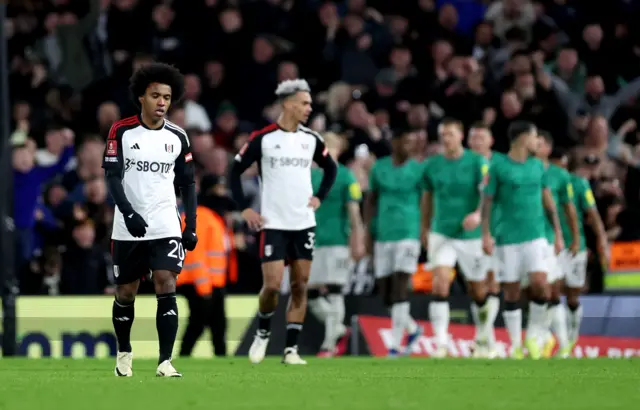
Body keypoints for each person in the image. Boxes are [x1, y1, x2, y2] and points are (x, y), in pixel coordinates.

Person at [230, 79, 337, 365]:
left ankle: (290, 350)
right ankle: (263, 332)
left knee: (301, 284)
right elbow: (234, 170)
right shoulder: (264, 138)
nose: (309, 108)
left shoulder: (311, 139)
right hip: (274, 224)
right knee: (273, 286)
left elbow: (331, 168)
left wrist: (320, 198)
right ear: (288, 104)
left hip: (303, 223)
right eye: (304, 103)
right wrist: (244, 209)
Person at [102, 62, 197, 377]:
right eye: (155, 95)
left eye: (167, 97)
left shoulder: (178, 137)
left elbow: (187, 183)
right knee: (126, 292)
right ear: (141, 97)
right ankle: (124, 353)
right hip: (127, 224)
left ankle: (165, 361)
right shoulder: (122, 131)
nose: (162, 102)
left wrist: (191, 225)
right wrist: (128, 212)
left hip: (164, 222)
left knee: (165, 281)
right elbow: (113, 177)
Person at [481, 121, 563, 359]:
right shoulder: (497, 166)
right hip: (507, 238)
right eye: (534, 137)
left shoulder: (538, 167)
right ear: (521, 139)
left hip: (536, 236)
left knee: (540, 283)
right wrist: (486, 234)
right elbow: (487, 201)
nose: (537, 142)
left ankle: (534, 334)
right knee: (512, 291)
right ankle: (516, 345)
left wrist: (557, 233)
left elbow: (548, 201)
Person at [422, 118, 489, 359]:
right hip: (442, 232)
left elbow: (487, 193)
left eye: (450, 134)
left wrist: (479, 214)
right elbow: (427, 198)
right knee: (439, 283)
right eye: (442, 134)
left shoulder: (477, 162)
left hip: (470, 236)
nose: (445, 138)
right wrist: (425, 228)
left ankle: (483, 336)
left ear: (461, 136)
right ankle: (440, 343)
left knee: (478, 291)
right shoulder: (432, 166)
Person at [364, 130, 424, 357]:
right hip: (383, 234)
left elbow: (426, 199)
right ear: (395, 142)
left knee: (400, 287)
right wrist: (367, 232)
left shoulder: (419, 170)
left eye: (412, 141)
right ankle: (412, 328)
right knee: (386, 294)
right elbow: (371, 201)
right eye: (406, 140)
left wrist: (425, 229)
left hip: (409, 233)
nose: (410, 145)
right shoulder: (379, 168)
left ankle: (395, 346)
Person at [307, 132, 365, 358]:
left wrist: (357, 240)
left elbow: (354, 213)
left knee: (334, 289)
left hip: (338, 241)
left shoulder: (345, 176)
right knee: (308, 293)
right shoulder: (308, 176)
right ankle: (339, 329)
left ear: (338, 149)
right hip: (314, 240)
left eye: (329, 146)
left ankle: (329, 344)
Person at [177, 174, 237, 357]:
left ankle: (221, 358)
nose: (223, 193)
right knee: (199, 322)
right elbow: (195, 254)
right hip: (199, 283)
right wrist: (204, 288)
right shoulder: (201, 216)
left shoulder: (212, 216)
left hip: (213, 282)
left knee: (218, 324)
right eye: (219, 189)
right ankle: (184, 356)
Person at [534, 134, 580, 359]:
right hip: (521, 239)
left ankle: (561, 344)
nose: (535, 145)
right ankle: (544, 337)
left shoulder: (559, 176)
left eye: (539, 142)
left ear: (548, 148)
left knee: (551, 290)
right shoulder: (524, 170)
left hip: (549, 239)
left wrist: (575, 237)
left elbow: (569, 208)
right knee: (530, 293)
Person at [556, 156, 608, 351]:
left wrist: (601, 238)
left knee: (572, 295)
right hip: (551, 245)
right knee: (551, 290)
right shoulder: (542, 182)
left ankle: (572, 335)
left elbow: (592, 213)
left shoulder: (579, 184)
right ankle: (556, 338)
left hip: (575, 247)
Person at [467, 123, 503, 358]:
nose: (477, 142)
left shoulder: (500, 164)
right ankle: (486, 339)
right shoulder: (464, 164)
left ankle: (484, 339)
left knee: (492, 282)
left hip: (497, 230)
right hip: (468, 235)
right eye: (473, 138)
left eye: (482, 138)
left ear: (491, 140)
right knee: (475, 286)